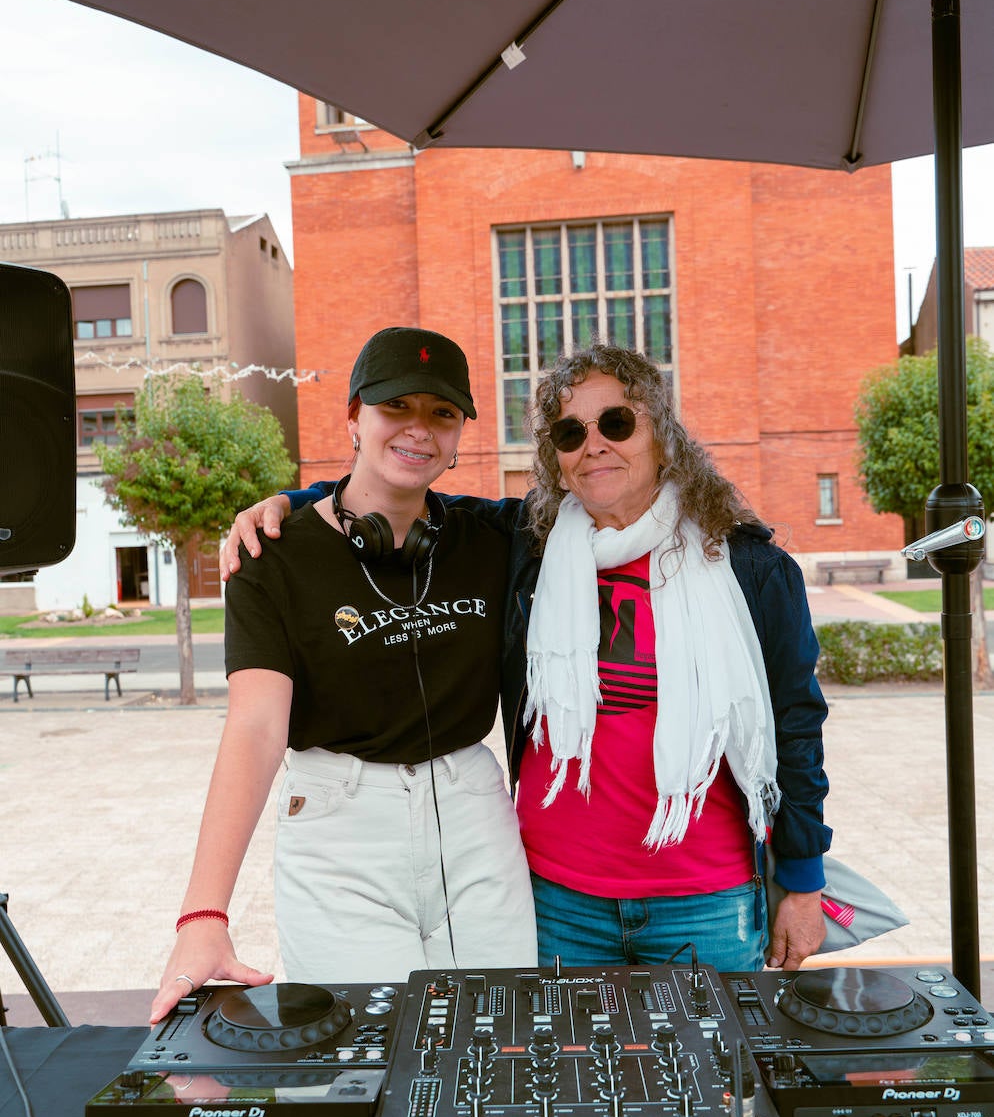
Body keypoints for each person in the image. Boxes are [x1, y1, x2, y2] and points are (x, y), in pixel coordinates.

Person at [223, 343, 830, 974]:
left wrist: (804, 881)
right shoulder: (529, 545)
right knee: (552, 1074)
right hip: (555, 900)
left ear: (662, 434)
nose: (594, 444)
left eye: (617, 423)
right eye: (571, 433)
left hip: (707, 901)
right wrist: (292, 505)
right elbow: (383, 496)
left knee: (700, 1074)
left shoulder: (750, 569)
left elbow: (796, 726)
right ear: (556, 458)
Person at [150, 326, 537, 1025]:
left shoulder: (495, 537)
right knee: (370, 1054)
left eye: (443, 414)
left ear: (458, 438)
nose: (420, 430)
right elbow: (257, 726)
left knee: (497, 1038)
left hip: (473, 812)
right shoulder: (272, 554)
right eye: (398, 408)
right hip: (340, 825)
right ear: (354, 416)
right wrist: (202, 914)